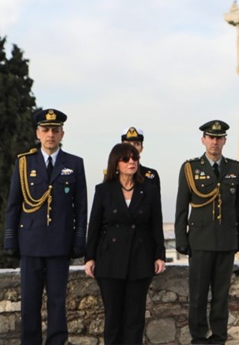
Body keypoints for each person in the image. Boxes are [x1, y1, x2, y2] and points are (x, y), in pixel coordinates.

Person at [4, 108, 88, 345]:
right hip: (30, 243)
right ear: (37, 133)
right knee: (30, 304)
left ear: (62, 134)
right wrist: (10, 240)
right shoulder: (24, 164)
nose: (50, 134)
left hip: (60, 244)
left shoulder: (75, 164)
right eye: (45, 130)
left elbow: (80, 208)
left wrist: (78, 241)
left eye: (55, 130)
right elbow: (14, 205)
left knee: (57, 303)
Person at [84, 142, 166, 344]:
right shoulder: (104, 190)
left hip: (140, 259)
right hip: (110, 261)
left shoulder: (149, 190)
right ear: (116, 163)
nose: (132, 162)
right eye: (126, 159)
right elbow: (94, 226)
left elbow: (156, 226)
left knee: (135, 319)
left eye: (135, 158)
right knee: (113, 318)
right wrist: (90, 258)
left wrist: (159, 255)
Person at [175, 120, 239, 345]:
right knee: (197, 295)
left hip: (226, 241)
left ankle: (218, 338)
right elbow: (181, 207)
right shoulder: (190, 168)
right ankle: (198, 338)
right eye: (211, 138)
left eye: (219, 138)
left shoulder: (234, 168)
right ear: (203, 140)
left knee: (220, 295)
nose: (215, 142)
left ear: (225, 141)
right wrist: (181, 240)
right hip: (200, 240)